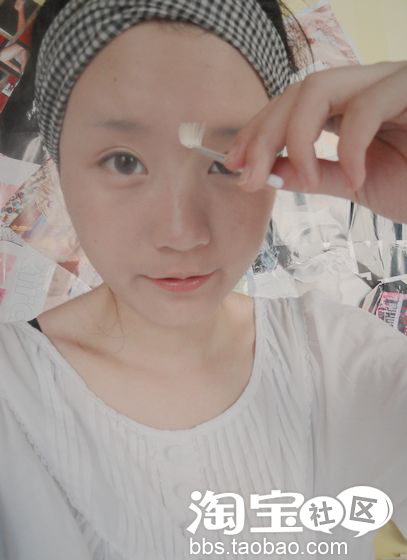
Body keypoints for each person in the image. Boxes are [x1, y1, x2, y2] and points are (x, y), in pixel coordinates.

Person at [0, 1, 406, 559]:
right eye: (123, 161)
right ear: (59, 163)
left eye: (223, 161)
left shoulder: (343, 362)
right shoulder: (12, 396)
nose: (181, 234)